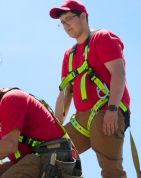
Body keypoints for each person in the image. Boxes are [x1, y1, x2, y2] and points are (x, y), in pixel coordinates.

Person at [49, 0, 131, 177]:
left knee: (110, 170)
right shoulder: (69, 55)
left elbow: (119, 73)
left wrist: (112, 109)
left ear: (84, 16)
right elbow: (65, 92)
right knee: (51, 156)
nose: (66, 25)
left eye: (69, 18)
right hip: (81, 119)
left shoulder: (102, 38)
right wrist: (55, 128)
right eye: (62, 22)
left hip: (106, 109)